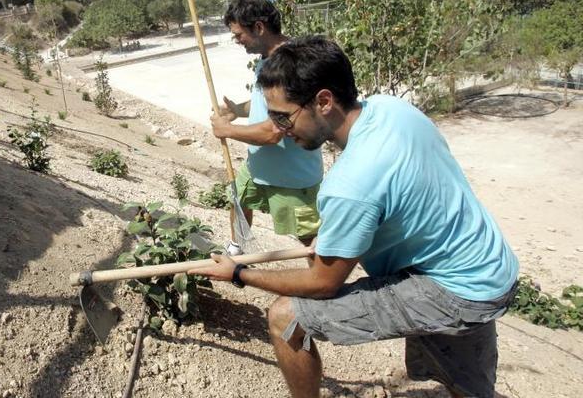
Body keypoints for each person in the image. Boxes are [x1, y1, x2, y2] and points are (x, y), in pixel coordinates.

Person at [190, 36, 520, 398]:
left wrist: (238, 273)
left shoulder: (350, 184)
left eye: (284, 117)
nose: (280, 130)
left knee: (287, 318)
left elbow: (323, 284)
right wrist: (337, 234)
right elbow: (405, 191)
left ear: (324, 101)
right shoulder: (392, 109)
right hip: (489, 265)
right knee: (468, 384)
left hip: (454, 289)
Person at [212, 0, 323, 251]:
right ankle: (237, 247)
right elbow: (267, 103)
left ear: (259, 27)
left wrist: (226, 130)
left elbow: (273, 132)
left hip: (292, 177)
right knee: (238, 200)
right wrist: (237, 110)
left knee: (309, 241)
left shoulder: (291, 65)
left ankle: (326, 285)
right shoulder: (266, 61)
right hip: (259, 166)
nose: (237, 41)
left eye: (239, 35)